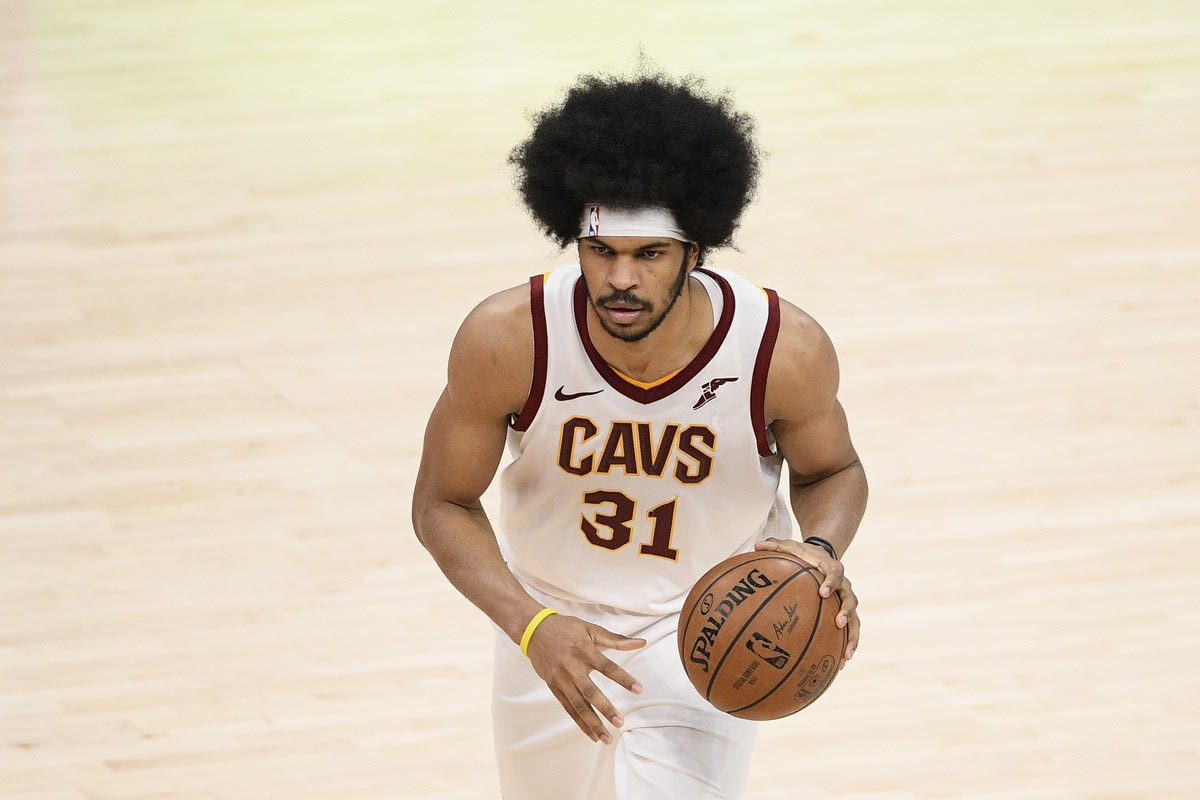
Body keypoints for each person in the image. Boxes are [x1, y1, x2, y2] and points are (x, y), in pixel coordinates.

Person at [411, 70, 867, 800]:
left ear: (695, 250)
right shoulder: (508, 339)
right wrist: (532, 627)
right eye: (602, 252)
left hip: (708, 622)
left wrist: (818, 552)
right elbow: (441, 503)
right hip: (548, 618)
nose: (620, 278)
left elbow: (832, 471)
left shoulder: (781, 348)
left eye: (648, 254)